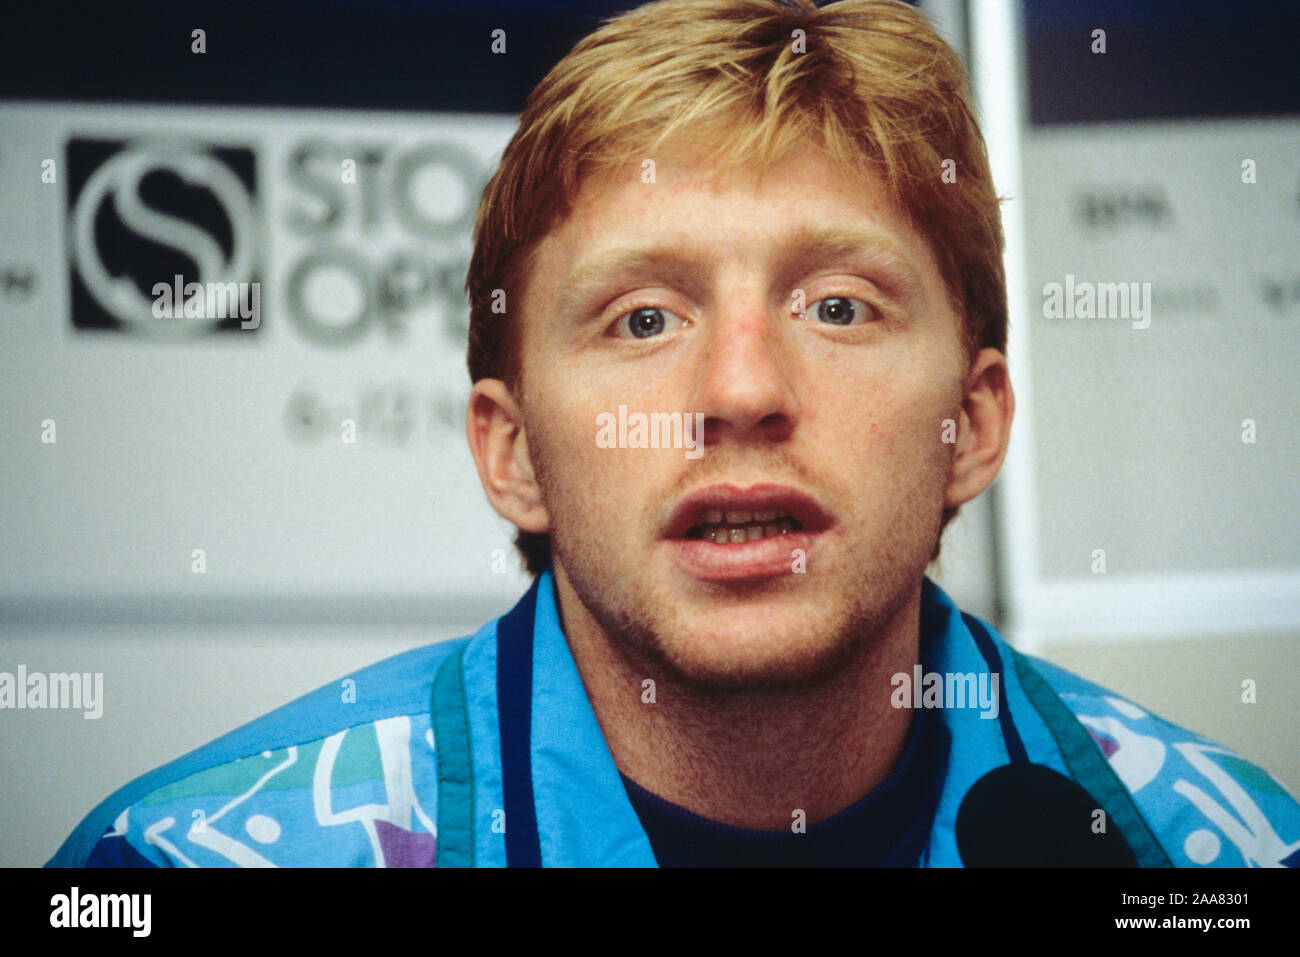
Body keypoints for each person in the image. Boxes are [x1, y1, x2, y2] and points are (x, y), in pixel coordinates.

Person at [49, 0, 1298, 868]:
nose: (741, 389)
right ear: (512, 451)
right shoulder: (172, 868)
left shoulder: (1223, 853)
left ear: (969, 425)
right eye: (643, 316)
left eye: (837, 305)